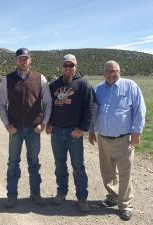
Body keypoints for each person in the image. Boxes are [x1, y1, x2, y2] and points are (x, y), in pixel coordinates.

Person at [88, 60, 146, 221]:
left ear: (120, 71)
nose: (112, 74)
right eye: (109, 71)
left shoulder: (130, 86)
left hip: (124, 138)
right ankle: (112, 197)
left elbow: (139, 110)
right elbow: (93, 111)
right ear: (104, 73)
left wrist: (137, 132)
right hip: (103, 139)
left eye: (116, 71)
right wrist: (92, 130)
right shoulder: (98, 89)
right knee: (107, 171)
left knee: (125, 173)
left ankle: (125, 205)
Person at [0, 48, 52, 208]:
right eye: (20, 58)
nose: (23, 61)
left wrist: (43, 123)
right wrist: (7, 124)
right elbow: (1, 104)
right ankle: (11, 196)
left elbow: (48, 103)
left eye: (26, 58)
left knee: (34, 162)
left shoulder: (40, 78)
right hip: (15, 128)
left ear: (30, 60)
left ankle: (35, 194)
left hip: (33, 129)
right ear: (15, 60)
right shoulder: (7, 79)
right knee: (13, 162)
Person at [45, 54, 94, 212]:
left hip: (74, 132)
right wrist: (49, 123)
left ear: (76, 67)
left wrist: (83, 128)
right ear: (61, 67)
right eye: (65, 65)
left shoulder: (83, 84)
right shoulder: (54, 85)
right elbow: (48, 107)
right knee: (60, 164)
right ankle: (61, 192)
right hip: (57, 132)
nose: (68, 68)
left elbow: (90, 108)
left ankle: (82, 197)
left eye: (71, 65)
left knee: (78, 166)